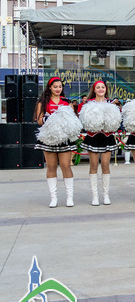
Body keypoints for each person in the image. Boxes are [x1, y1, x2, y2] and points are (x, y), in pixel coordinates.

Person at [34, 77, 77, 207]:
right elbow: (39, 120)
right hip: (49, 138)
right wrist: (52, 119)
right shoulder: (43, 102)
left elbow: (73, 120)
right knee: (51, 166)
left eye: (60, 87)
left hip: (64, 139)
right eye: (55, 87)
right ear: (50, 88)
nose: (58, 89)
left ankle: (70, 197)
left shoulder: (66, 102)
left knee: (65, 166)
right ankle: (54, 198)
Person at [80, 81, 119, 205]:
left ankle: (106, 195)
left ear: (106, 89)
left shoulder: (111, 104)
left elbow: (116, 122)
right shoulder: (88, 104)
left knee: (106, 165)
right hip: (93, 137)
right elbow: (84, 121)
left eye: (103, 87)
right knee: (93, 165)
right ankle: (95, 196)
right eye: (98, 87)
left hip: (107, 137)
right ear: (94, 90)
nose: (101, 89)